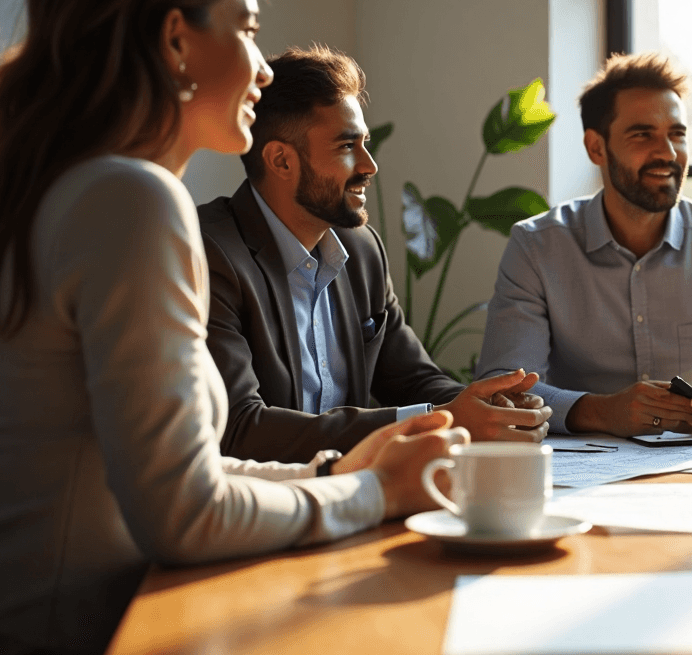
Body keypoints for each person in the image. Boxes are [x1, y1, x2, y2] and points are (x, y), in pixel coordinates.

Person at [0, 0, 465, 653]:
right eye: (245, 29)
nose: (263, 69)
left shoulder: (60, 190)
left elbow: (181, 473)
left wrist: (337, 470)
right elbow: (185, 514)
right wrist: (371, 492)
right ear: (177, 40)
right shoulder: (129, 201)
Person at [199, 45, 552, 464]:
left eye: (365, 143)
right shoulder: (209, 253)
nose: (370, 165)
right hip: (267, 507)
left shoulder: (360, 250)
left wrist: (488, 408)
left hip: (360, 491)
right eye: (347, 146)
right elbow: (239, 429)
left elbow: (414, 379)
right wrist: (440, 418)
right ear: (281, 160)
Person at [475, 52, 692, 439]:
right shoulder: (537, 248)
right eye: (643, 135)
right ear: (596, 148)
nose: (668, 153)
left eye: (677, 134)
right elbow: (505, 385)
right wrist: (601, 411)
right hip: (579, 476)